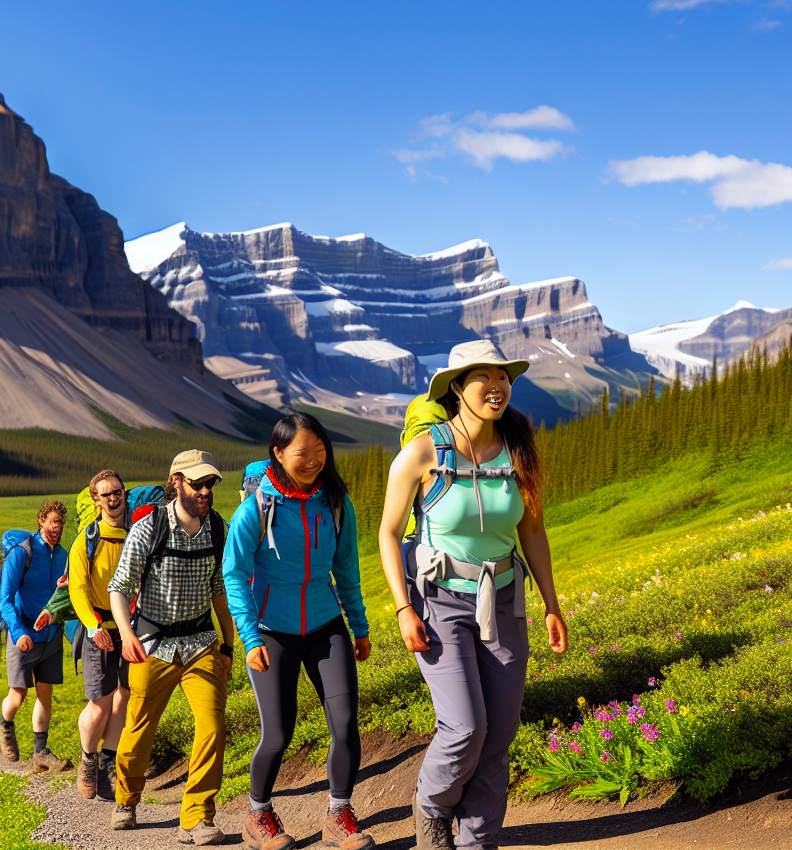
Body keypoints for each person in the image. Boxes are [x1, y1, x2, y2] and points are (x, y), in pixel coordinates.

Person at [377, 340, 568, 850]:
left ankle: (477, 840)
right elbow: (389, 533)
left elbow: (533, 532)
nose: (498, 386)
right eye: (484, 377)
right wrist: (402, 609)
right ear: (458, 387)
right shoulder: (424, 451)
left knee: (500, 731)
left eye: (504, 377)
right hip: (438, 600)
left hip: (505, 599)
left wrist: (552, 605)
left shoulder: (519, 447)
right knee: (465, 726)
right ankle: (433, 805)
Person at [224, 412, 374, 850]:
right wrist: (251, 638)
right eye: (301, 453)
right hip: (272, 631)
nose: (313, 460)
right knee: (278, 734)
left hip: (326, 626)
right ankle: (258, 814)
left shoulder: (335, 501)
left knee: (345, 724)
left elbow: (346, 568)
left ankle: (339, 815)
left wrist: (358, 626)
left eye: (319, 450)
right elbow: (234, 574)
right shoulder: (256, 507)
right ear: (278, 453)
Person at [107, 449, 237, 846]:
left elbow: (220, 591)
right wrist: (127, 635)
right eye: (197, 484)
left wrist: (229, 646)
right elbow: (119, 587)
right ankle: (126, 801)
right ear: (176, 482)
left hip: (200, 643)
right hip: (152, 643)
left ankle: (196, 817)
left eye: (210, 484)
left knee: (213, 727)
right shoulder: (150, 529)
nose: (205, 491)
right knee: (138, 730)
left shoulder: (219, 528)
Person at [67, 469, 133, 800]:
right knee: (100, 704)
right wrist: (93, 628)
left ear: (124, 493)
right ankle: (88, 759)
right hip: (100, 629)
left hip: (132, 627)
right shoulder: (86, 540)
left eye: (117, 492)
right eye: (106, 494)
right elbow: (77, 589)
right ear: (96, 499)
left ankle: (107, 762)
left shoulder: (138, 532)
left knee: (125, 696)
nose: (113, 498)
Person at [0, 498, 71, 773]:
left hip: (50, 637)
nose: (57, 528)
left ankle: (40, 753)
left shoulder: (64, 556)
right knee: (17, 695)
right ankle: (6, 725)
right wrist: (17, 634)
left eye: (61, 523)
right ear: (41, 521)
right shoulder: (22, 553)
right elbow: (6, 600)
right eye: (53, 522)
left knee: (45, 694)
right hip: (23, 634)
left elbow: (66, 596)